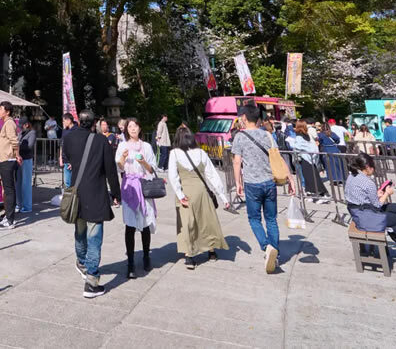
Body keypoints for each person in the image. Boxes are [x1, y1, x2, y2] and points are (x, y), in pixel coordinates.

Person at [61, 111, 121, 298]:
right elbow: (110, 169)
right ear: (94, 122)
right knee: (94, 237)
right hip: (95, 193)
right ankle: (92, 282)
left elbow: (68, 160)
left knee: (80, 231)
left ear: (79, 120)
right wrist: (116, 193)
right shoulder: (101, 141)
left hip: (77, 193)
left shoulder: (69, 139)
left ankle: (82, 262)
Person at [231, 104, 295, 273]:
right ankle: (275, 252)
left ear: (244, 117)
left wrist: (237, 182)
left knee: (254, 219)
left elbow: (237, 161)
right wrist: (290, 178)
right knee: (272, 219)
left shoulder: (240, 136)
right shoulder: (267, 134)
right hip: (269, 182)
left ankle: (267, 247)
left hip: (252, 183)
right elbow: (277, 157)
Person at [168, 124, 226, 269]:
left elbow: (173, 176)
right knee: (207, 221)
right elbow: (212, 175)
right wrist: (223, 196)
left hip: (185, 192)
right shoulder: (201, 153)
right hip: (202, 192)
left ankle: (190, 255)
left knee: (188, 224)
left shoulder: (174, 153)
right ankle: (211, 251)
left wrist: (180, 194)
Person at [116, 118, 158, 278]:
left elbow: (152, 168)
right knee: (130, 225)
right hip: (129, 187)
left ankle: (146, 256)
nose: (133, 129)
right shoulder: (122, 146)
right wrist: (122, 159)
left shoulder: (146, 146)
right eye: (130, 127)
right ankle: (131, 262)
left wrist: (144, 163)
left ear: (140, 128)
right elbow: (119, 167)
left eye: (135, 126)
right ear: (126, 129)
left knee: (145, 223)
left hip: (144, 186)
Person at [0, 101, 22, 229]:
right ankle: (8, 216)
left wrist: (17, 155)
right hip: (5, 159)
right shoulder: (7, 123)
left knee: (9, 189)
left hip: (8, 160)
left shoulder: (10, 123)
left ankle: (10, 220)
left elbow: (14, 141)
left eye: (1, 109)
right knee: (7, 189)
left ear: (7, 111)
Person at [288, 122, 327, 202]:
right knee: (312, 176)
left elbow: (298, 147)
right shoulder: (306, 135)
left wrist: (292, 143)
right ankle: (314, 194)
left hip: (305, 158)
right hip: (311, 158)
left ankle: (321, 195)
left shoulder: (299, 136)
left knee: (310, 177)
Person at [17, 119, 36, 214]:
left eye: (21, 125)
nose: (20, 127)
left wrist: (18, 145)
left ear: (27, 124)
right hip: (19, 159)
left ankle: (27, 206)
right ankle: (19, 204)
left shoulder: (32, 133)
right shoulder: (21, 133)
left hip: (27, 160)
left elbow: (29, 146)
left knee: (26, 184)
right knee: (18, 183)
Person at [316, 120, 344, 184]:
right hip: (335, 149)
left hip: (326, 150)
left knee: (329, 166)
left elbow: (319, 142)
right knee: (337, 164)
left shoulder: (320, 134)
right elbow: (338, 140)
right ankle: (340, 178)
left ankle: (333, 179)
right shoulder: (332, 133)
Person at [59, 112, 76, 187]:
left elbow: (77, 147)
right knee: (67, 182)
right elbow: (62, 144)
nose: (63, 122)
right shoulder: (64, 130)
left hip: (73, 160)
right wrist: (60, 158)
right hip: (65, 159)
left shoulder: (76, 130)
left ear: (69, 120)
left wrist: (73, 161)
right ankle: (69, 198)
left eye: (64, 120)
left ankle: (74, 198)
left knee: (72, 183)